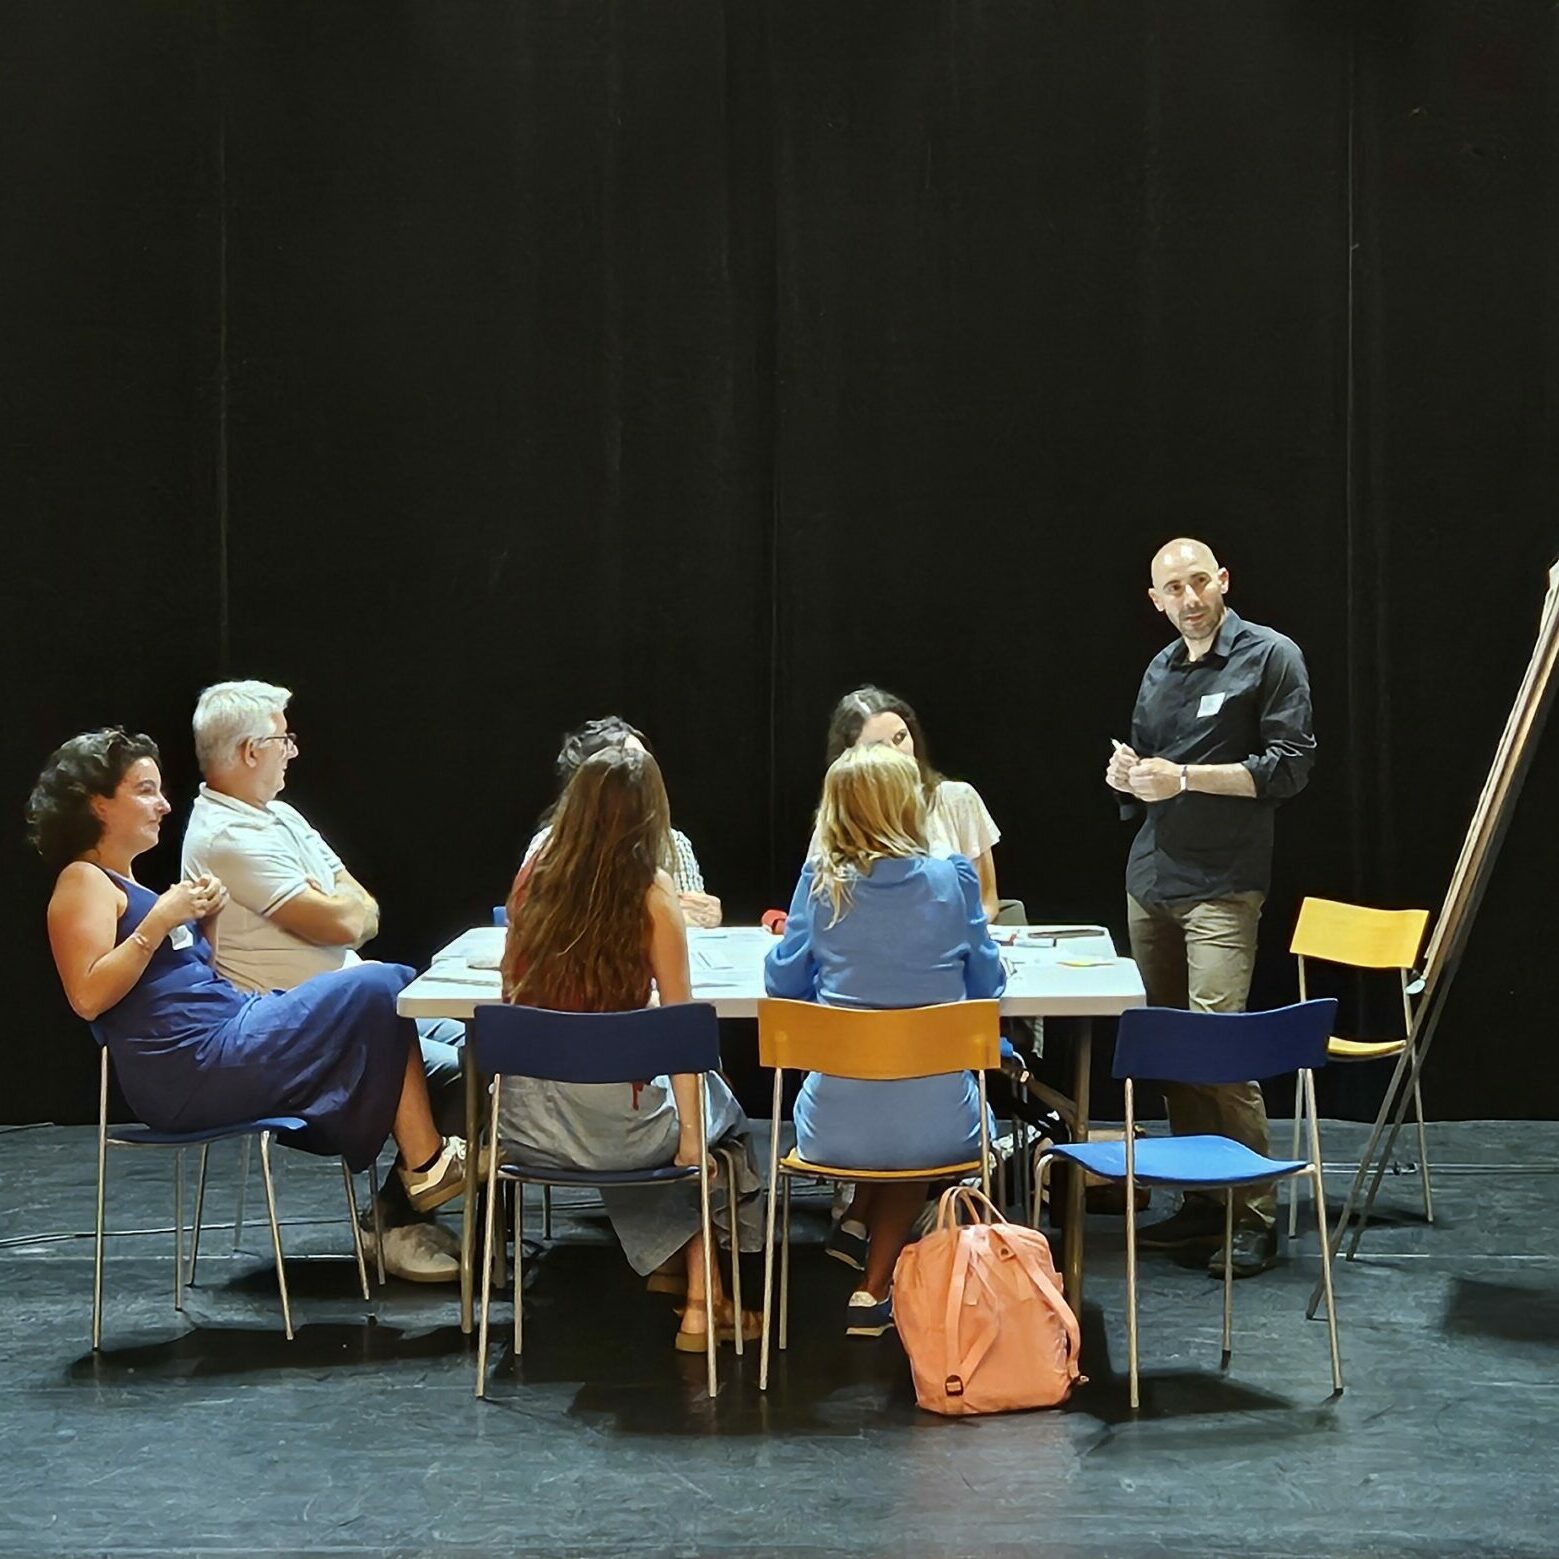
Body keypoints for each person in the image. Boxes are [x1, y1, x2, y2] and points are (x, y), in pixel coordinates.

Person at [28, 729, 475, 1206]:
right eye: (144, 790)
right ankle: (426, 1165)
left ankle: (424, 1169)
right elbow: (88, 997)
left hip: (221, 1038)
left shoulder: (130, 885)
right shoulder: (83, 880)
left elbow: (185, 983)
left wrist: (207, 922)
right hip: (189, 1067)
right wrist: (160, 920)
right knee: (380, 984)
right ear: (97, 804)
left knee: (383, 995)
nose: (163, 805)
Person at [180, 680, 464, 1283]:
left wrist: (343, 910)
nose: (293, 750)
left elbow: (360, 907)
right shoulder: (226, 838)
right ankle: (397, 1217)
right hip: (301, 1033)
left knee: (487, 1043)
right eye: (283, 738)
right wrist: (342, 911)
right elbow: (341, 920)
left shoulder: (281, 815)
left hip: (354, 1009)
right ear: (250, 751)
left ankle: (409, 1204)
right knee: (463, 1071)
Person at [499, 743, 761, 1352]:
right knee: (714, 1128)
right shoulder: (652, 893)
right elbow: (681, 1032)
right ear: (650, 814)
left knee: (642, 1115)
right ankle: (706, 1300)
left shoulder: (532, 880)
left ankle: (678, 1270)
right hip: (620, 1129)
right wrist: (691, 1140)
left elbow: (510, 988)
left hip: (528, 1128)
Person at [1105, 537, 1316, 1278]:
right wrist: (1128, 775)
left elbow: (1289, 769)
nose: (1190, 598)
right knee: (1173, 1050)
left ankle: (1254, 1213)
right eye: (1174, 588)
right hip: (1152, 879)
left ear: (1222, 580)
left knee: (1219, 1046)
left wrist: (1185, 778)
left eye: (1200, 582)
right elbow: (1147, 766)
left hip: (1223, 882)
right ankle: (1201, 1200)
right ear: (1155, 600)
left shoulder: (1270, 655)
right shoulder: (1159, 668)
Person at [765, 743, 1006, 1338]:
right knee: (917, 1102)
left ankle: (859, 1233)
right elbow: (988, 985)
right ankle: (873, 1286)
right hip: (939, 1122)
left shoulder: (820, 883)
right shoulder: (953, 878)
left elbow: (783, 983)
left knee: (887, 1092)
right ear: (908, 806)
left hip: (834, 1127)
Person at [819, 686, 1001, 923]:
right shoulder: (839, 817)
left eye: (900, 737)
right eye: (879, 747)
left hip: (948, 940)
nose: (898, 753)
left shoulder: (958, 800)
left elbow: (986, 900)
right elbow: (821, 903)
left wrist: (961, 932)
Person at [523, 716, 721, 928]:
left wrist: (703, 917)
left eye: (646, 766)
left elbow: (692, 921)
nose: (641, 779)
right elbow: (534, 925)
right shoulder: (549, 845)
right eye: (627, 769)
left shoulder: (671, 843)